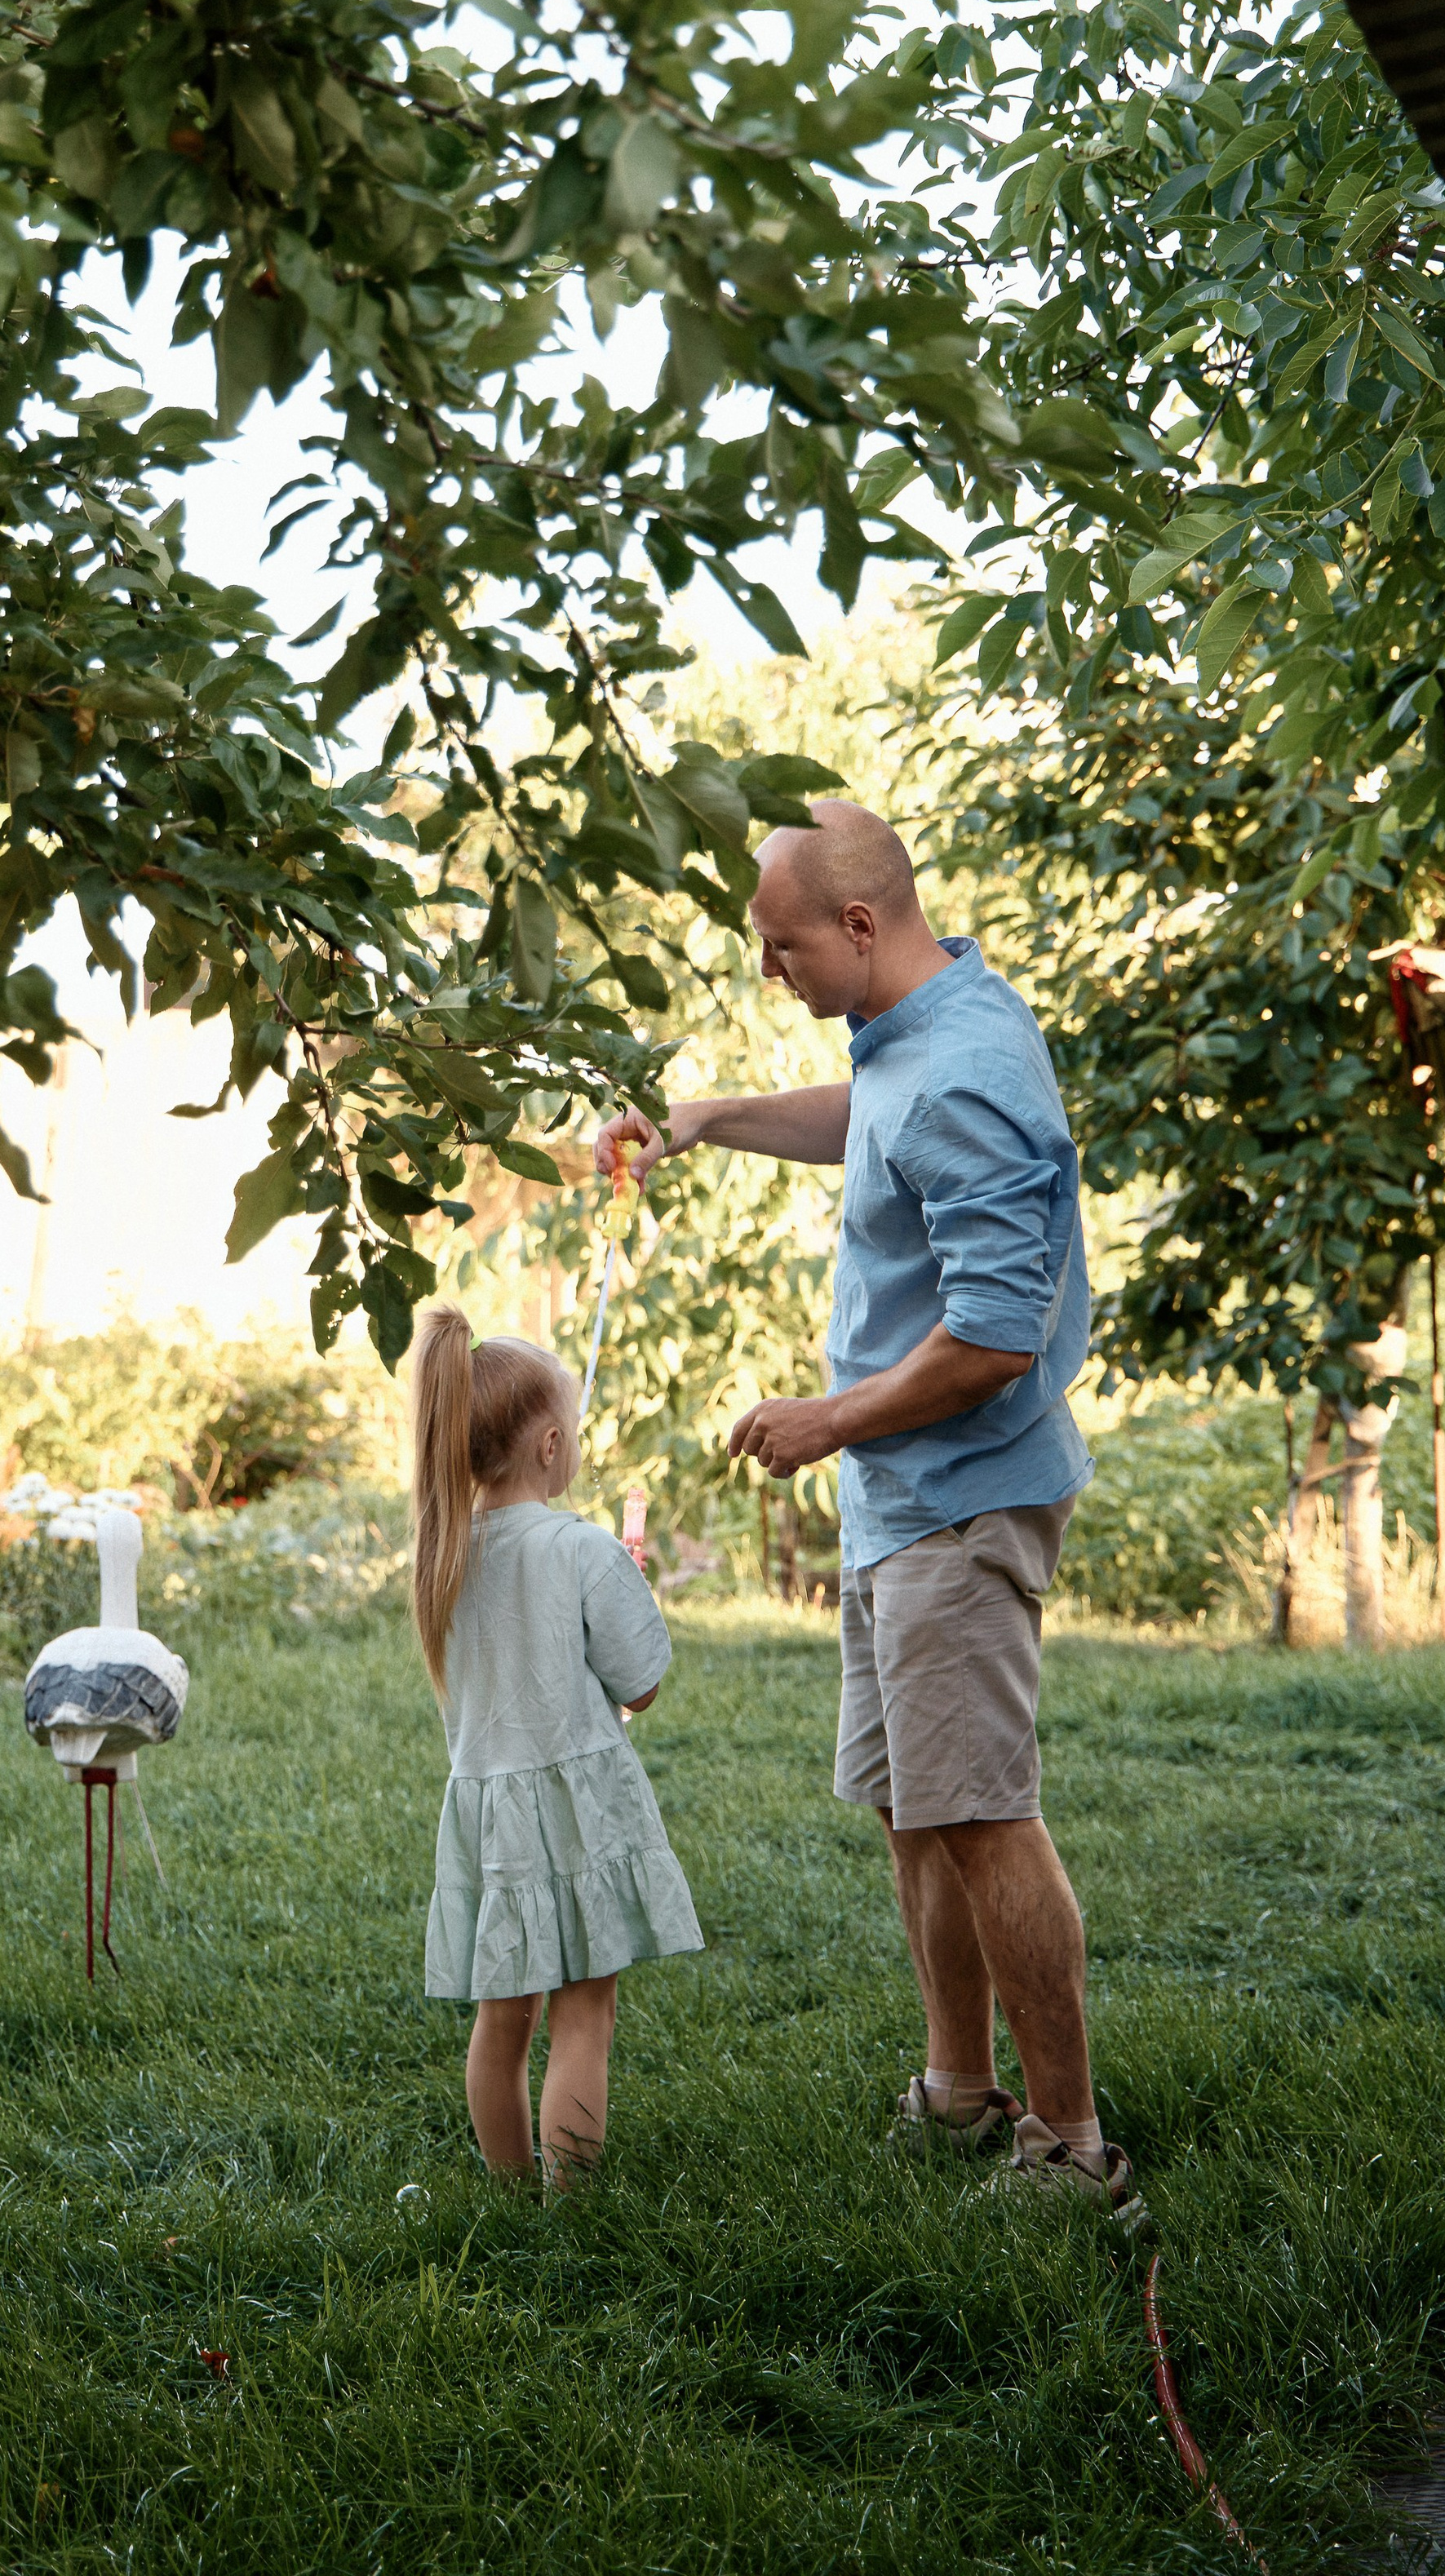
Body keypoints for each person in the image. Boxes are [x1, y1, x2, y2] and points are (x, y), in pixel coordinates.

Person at [596, 801, 1135, 2213]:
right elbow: (870, 1121)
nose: (772, 974)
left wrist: (823, 1420)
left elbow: (996, 1337)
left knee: (984, 1814)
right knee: (916, 1808)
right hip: (904, 1505)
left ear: (854, 924)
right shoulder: (921, 1027)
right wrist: (704, 1119)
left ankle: (1072, 2145)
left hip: (958, 1504)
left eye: (779, 950)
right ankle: (962, 2088)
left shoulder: (965, 1072)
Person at [410, 1306, 703, 2186]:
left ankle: (509, 2191)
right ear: (547, 1445)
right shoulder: (581, 1547)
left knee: (503, 2019)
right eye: (568, 1432)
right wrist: (627, 1587)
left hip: (493, 1815)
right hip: (577, 1811)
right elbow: (640, 1684)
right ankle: (570, 2209)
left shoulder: (442, 1556)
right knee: (585, 2008)